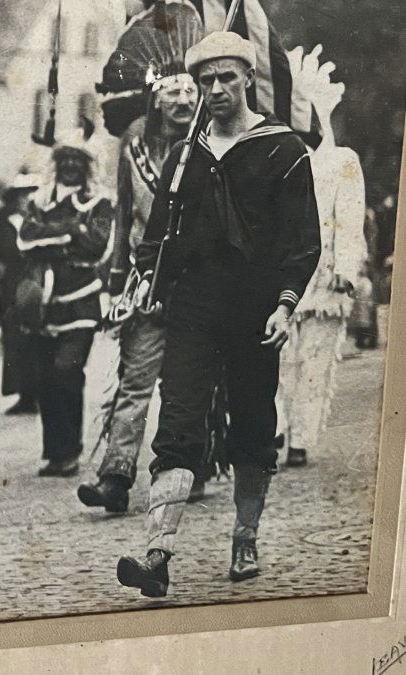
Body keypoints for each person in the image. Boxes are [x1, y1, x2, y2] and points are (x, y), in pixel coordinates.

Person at [116, 31, 320, 597]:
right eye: (206, 79)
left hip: (257, 310)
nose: (215, 88)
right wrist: (145, 281)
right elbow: (157, 233)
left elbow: (303, 242)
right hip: (193, 308)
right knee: (178, 423)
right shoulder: (187, 155)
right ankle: (157, 552)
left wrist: (284, 304)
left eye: (227, 77)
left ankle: (245, 536)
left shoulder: (283, 150)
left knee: (253, 424)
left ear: (248, 79)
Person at [78, 68, 199, 511]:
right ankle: (115, 475)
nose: (183, 100)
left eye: (191, 90)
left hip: (196, 284)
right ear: (156, 99)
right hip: (146, 282)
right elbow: (124, 214)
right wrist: (115, 276)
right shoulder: (135, 149)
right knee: (135, 380)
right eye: (173, 91)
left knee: (189, 383)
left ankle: (189, 466)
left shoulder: (209, 148)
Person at [277, 47, 365, 467]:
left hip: (325, 277)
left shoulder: (341, 161)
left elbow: (349, 218)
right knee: (279, 361)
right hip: (283, 277)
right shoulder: (279, 162)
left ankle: (301, 437)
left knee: (314, 361)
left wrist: (347, 268)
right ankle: (275, 429)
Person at [15, 131, 114, 478]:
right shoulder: (39, 201)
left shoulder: (100, 202)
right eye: (65, 159)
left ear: (87, 166)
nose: (71, 165)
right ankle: (55, 453)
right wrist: (72, 231)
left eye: (78, 159)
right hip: (42, 304)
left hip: (82, 302)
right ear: (56, 164)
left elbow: (99, 246)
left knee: (67, 373)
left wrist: (54, 236)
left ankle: (70, 451)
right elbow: (25, 240)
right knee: (45, 379)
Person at [0, 172, 42, 415]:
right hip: (11, 285)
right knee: (14, 340)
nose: (27, 198)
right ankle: (23, 394)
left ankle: (36, 394)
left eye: (31, 193)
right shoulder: (2, 221)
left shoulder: (37, 219)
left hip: (34, 282)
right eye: (23, 194)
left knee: (36, 339)